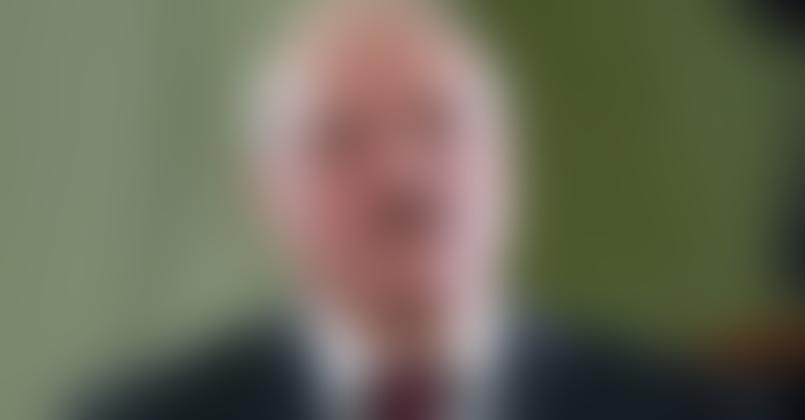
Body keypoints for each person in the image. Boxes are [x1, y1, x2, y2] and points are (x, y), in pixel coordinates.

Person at [78, 1, 741, 419]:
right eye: (340, 140)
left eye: (440, 125)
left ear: (513, 162)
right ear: (261, 192)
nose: (404, 176)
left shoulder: (679, 410)